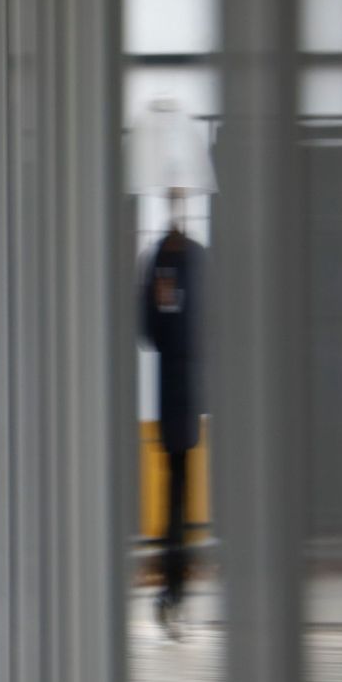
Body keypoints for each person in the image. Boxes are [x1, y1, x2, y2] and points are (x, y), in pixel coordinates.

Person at [138, 195, 206, 641]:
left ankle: (174, 587)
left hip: (190, 384)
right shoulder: (161, 259)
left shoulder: (193, 258)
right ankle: (172, 587)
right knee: (176, 488)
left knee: (180, 489)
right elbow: (146, 325)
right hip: (175, 386)